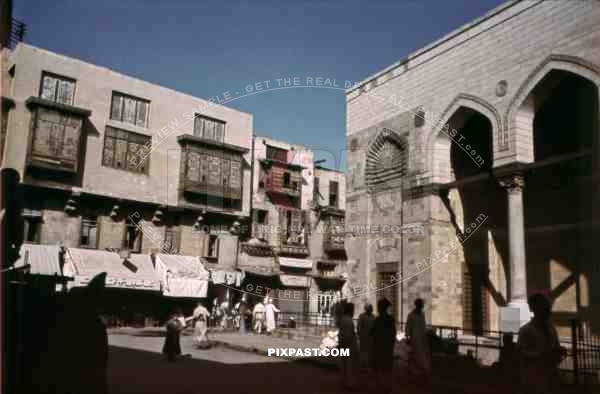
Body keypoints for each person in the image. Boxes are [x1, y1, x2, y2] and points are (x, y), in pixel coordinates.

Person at [517, 293, 566, 394]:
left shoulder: (551, 329)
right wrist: (543, 355)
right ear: (535, 309)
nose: (548, 310)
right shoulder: (526, 330)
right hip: (534, 379)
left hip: (551, 376)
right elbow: (522, 355)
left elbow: (556, 347)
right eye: (545, 306)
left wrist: (559, 351)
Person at [371, 298, 396, 393]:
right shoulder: (391, 319)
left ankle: (381, 385)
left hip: (380, 346)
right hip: (387, 346)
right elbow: (393, 333)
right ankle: (386, 385)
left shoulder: (378, 319)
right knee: (386, 367)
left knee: (379, 366)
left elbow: (372, 332)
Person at [406, 298, 431, 381]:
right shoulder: (411, 315)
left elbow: (423, 325)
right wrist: (408, 337)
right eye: (421, 304)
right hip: (415, 338)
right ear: (418, 305)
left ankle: (422, 371)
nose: (422, 306)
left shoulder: (422, 314)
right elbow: (408, 327)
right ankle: (416, 372)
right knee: (416, 354)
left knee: (423, 353)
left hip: (422, 337)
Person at [338, 302, 358, 390]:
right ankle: (349, 384)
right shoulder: (348, 320)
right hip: (348, 345)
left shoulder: (343, 319)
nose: (354, 312)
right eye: (353, 310)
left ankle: (344, 382)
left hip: (344, 344)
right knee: (349, 365)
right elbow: (348, 335)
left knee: (345, 364)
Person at [357, 303, 375, 369]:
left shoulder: (373, 316)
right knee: (363, 351)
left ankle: (368, 364)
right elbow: (359, 326)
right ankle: (363, 364)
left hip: (370, 337)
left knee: (369, 351)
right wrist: (360, 335)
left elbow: (374, 327)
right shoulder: (362, 316)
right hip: (364, 337)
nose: (370, 310)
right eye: (369, 308)